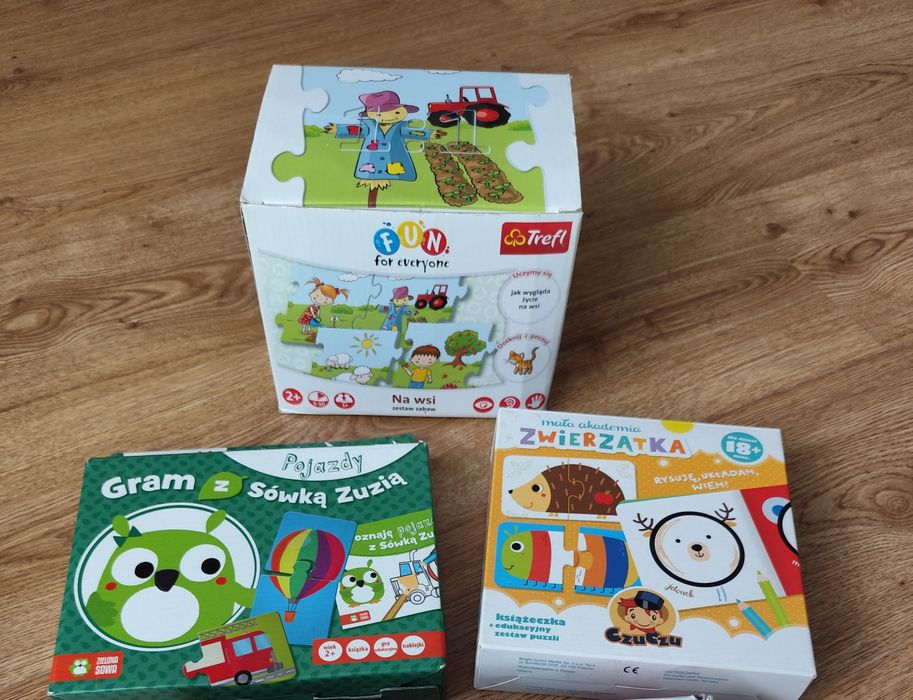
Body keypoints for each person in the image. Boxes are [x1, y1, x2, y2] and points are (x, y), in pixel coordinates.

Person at [325, 91, 445, 207]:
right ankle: (372, 204)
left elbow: (413, 132)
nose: (389, 117)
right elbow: (355, 130)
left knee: (393, 190)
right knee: (372, 186)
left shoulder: (400, 127)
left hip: (394, 161)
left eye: (396, 112)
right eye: (379, 114)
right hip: (371, 162)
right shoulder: (369, 127)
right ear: (370, 114)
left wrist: (430, 133)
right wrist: (338, 129)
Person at [299, 277, 349, 341]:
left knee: (309, 324)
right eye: (316, 296)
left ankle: (308, 331)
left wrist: (317, 316)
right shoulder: (312, 306)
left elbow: (318, 311)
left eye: (325, 301)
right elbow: (311, 309)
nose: (319, 300)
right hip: (307, 315)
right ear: (311, 293)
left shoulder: (318, 307)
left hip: (311, 317)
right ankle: (303, 331)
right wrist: (314, 316)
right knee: (305, 324)